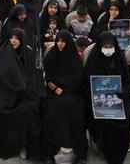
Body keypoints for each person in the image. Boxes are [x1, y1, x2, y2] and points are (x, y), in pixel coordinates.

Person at [0, 28, 43, 160]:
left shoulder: (28, 53)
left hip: (24, 92)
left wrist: (24, 87)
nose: (13, 41)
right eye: (11, 37)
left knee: (28, 110)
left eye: (17, 38)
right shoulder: (2, 53)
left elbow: (33, 76)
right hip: (4, 92)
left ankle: (23, 144)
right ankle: (8, 145)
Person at [84, 31, 130, 164]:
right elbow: (87, 83)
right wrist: (95, 97)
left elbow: (128, 81)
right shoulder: (94, 60)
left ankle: (119, 151)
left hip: (120, 99)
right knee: (103, 121)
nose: (108, 50)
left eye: (110, 46)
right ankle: (103, 147)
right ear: (100, 46)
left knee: (127, 119)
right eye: (105, 47)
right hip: (99, 101)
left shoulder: (119, 59)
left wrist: (123, 92)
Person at [42, 30, 87, 164]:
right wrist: (54, 87)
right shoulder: (51, 56)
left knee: (74, 112)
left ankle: (77, 151)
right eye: (58, 41)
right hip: (53, 91)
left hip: (72, 91)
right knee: (52, 111)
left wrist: (65, 88)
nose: (60, 44)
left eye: (63, 41)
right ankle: (51, 150)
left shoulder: (74, 58)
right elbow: (47, 76)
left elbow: (78, 79)